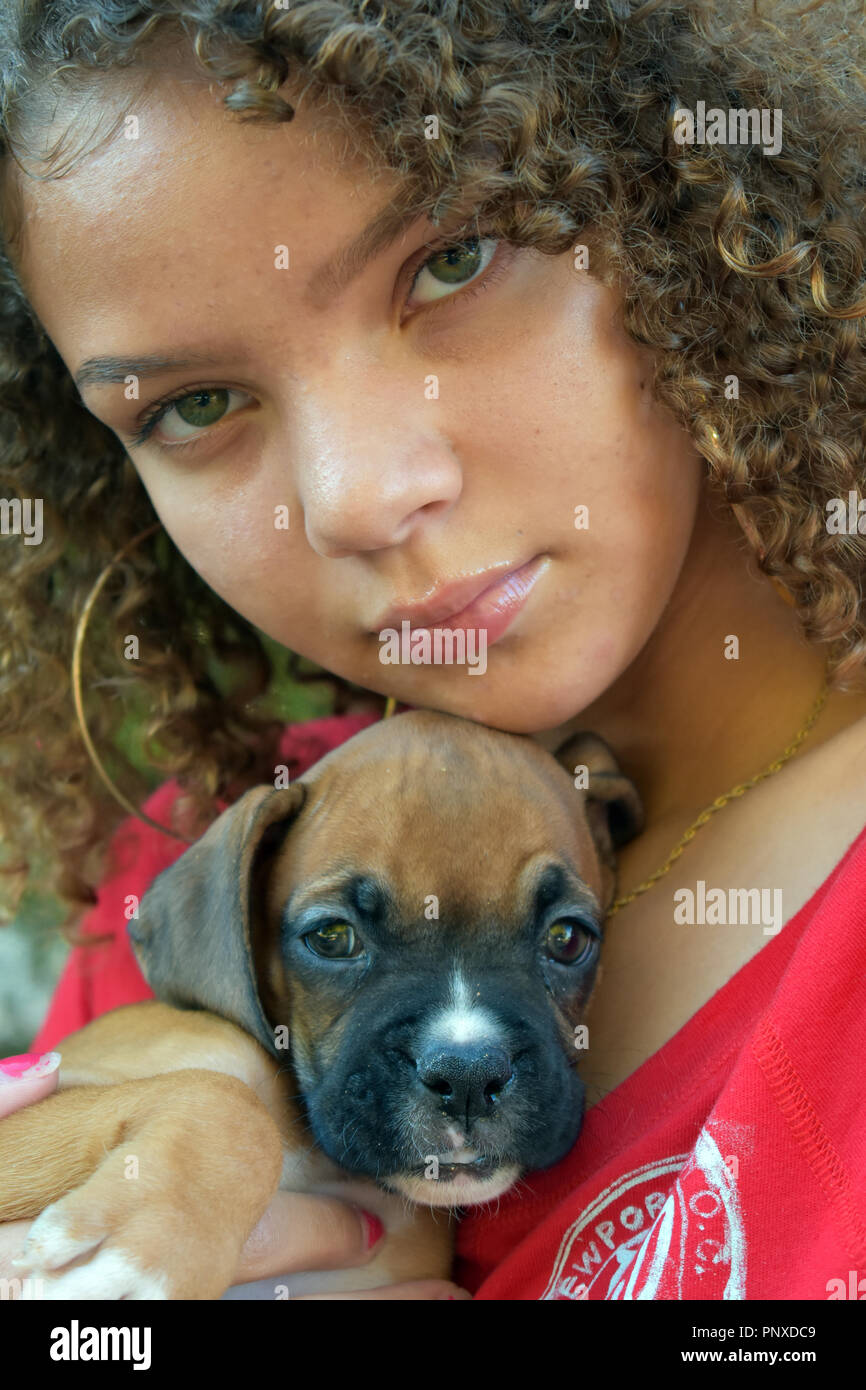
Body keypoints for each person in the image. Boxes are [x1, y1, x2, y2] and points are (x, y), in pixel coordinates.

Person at [0, 0, 864, 1301]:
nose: (355, 493)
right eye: (194, 405)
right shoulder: (202, 885)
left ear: (684, 204)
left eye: (453, 261)